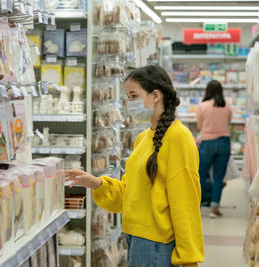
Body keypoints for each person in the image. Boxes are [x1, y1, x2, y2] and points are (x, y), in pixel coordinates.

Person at [66, 65, 204, 267]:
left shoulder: (178, 137)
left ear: (155, 95)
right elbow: (130, 193)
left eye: (133, 95)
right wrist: (96, 183)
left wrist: (189, 259)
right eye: (128, 96)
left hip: (156, 245)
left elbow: (185, 201)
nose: (129, 102)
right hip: (135, 238)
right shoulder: (143, 139)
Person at [195, 80, 232, 218]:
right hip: (223, 142)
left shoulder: (202, 106)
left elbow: (199, 126)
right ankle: (214, 208)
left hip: (206, 143)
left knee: (200, 175)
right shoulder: (226, 105)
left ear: (207, 91)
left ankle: (195, 205)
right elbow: (228, 123)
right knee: (218, 177)